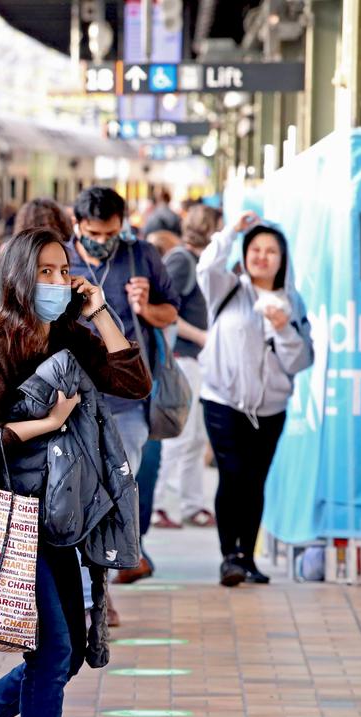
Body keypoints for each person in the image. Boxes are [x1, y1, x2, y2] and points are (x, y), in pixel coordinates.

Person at [0, 228, 151, 717]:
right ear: (20, 280)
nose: (56, 280)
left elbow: (135, 383)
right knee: (52, 652)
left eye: (63, 271)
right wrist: (46, 424)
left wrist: (98, 312)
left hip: (60, 520)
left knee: (68, 652)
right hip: (16, 519)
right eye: (44, 272)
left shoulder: (70, 337)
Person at [67, 187, 179, 584]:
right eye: (93, 234)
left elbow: (171, 313)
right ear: (76, 226)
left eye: (109, 234)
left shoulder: (141, 256)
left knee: (126, 483)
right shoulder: (59, 262)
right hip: (72, 400)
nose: (101, 243)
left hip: (128, 399)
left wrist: (146, 308)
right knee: (80, 490)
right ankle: (98, 584)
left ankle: (116, 563)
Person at [198, 211, 313, 587]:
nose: (262, 257)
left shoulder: (292, 302)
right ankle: (229, 556)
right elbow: (208, 265)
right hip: (222, 401)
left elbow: (300, 361)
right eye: (256, 249)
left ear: (283, 260)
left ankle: (247, 555)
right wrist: (232, 231)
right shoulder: (228, 288)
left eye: (271, 251)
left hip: (271, 409)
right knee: (232, 474)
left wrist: (283, 330)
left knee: (255, 481)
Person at [152, 208, 219, 530]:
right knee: (178, 436)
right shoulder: (182, 262)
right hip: (182, 358)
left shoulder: (196, 262)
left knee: (193, 437)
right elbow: (167, 310)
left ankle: (192, 504)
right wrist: (202, 335)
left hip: (194, 358)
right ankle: (157, 505)